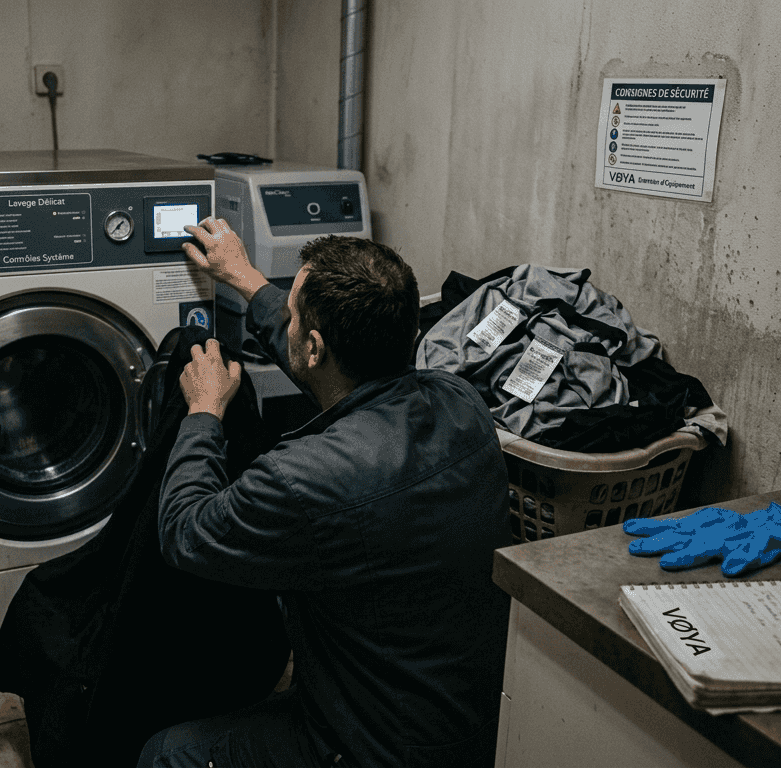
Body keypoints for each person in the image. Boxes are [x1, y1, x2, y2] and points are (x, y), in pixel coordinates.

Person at [139, 220, 511, 768]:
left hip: (378, 749)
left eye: (292, 314)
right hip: (466, 721)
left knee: (166, 754)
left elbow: (185, 532)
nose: (286, 321)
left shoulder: (302, 480)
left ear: (313, 346)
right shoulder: (459, 403)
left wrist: (203, 411)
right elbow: (327, 369)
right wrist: (245, 279)